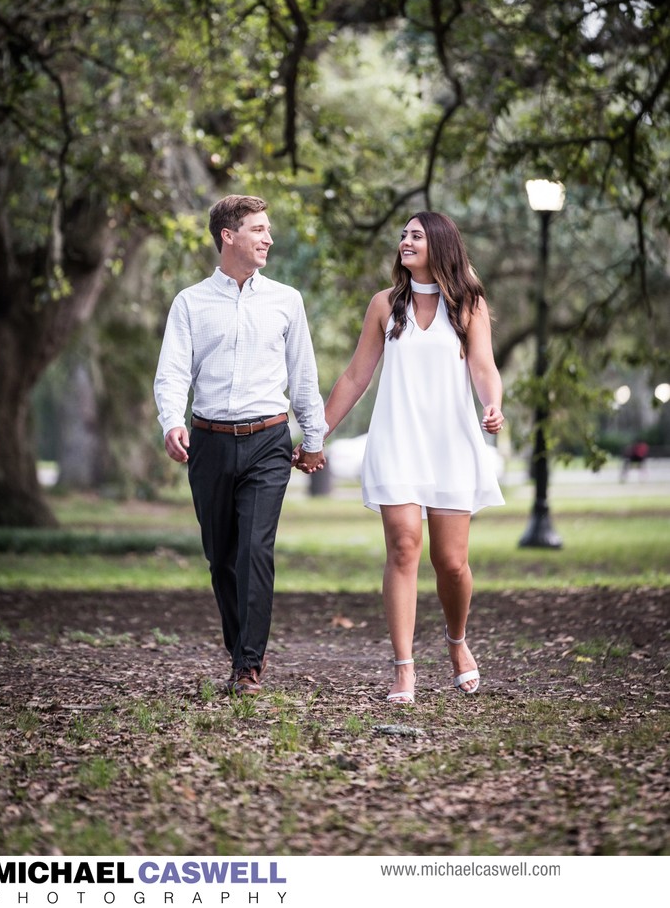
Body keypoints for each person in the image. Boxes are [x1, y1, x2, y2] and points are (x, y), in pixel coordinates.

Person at [322, 211, 504, 703]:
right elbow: (357, 376)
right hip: (397, 440)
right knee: (403, 548)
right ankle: (404, 669)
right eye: (403, 235)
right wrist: (317, 432)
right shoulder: (385, 305)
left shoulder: (468, 303)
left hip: (451, 444)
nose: (405, 241)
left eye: (416, 235)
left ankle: (457, 641)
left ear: (440, 244)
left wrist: (493, 404)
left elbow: (484, 368)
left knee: (451, 563)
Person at [154, 194, 326, 697]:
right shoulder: (190, 302)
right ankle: (241, 649)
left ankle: (248, 665)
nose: (268, 237)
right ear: (228, 236)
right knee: (222, 556)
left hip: (269, 441)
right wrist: (171, 423)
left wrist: (311, 440)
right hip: (208, 441)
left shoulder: (286, 300)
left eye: (268, 229)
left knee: (254, 549)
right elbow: (171, 374)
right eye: (257, 229)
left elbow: (304, 377)